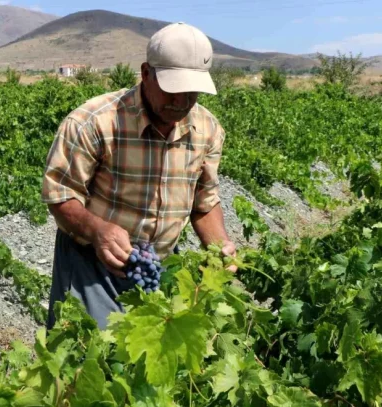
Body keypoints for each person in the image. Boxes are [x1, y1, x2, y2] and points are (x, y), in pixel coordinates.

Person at [42, 22, 237, 330]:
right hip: (90, 264)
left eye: (193, 92)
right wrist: (97, 231)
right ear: (146, 73)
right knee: (89, 360)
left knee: (143, 366)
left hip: (155, 267)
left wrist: (220, 245)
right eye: (174, 89)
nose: (182, 102)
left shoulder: (208, 129)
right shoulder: (93, 122)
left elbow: (204, 201)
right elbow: (60, 194)